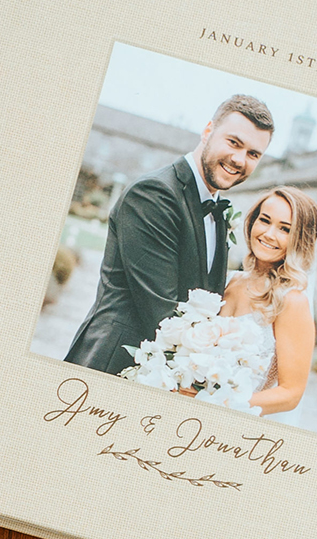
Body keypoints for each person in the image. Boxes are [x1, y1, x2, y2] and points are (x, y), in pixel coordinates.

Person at [64, 95, 275, 376]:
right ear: (208, 131)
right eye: (234, 142)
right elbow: (162, 310)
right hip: (112, 365)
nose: (239, 160)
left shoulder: (218, 211)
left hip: (170, 373)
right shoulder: (154, 194)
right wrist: (227, 365)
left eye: (253, 154)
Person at [219, 187, 317, 419]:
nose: (268, 234)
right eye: (264, 220)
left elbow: (290, 393)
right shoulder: (227, 280)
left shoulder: (291, 302)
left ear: (299, 239)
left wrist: (221, 404)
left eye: (285, 229)